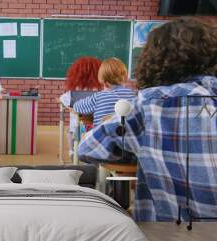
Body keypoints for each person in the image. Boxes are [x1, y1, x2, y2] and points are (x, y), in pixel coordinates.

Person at [78, 18, 217, 221]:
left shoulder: (149, 105)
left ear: (153, 61)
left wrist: (143, 149)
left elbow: (87, 148)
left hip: (170, 239)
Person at [59, 56, 102, 159]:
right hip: (96, 128)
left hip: (77, 129)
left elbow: (62, 101)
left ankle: (72, 150)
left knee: (70, 129)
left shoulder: (73, 93)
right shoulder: (100, 91)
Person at [73, 57, 136, 127]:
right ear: (125, 77)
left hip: (102, 137)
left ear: (103, 81)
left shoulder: (98, 97)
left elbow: (77, 107)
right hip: (127, 136)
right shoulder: (134, 96)